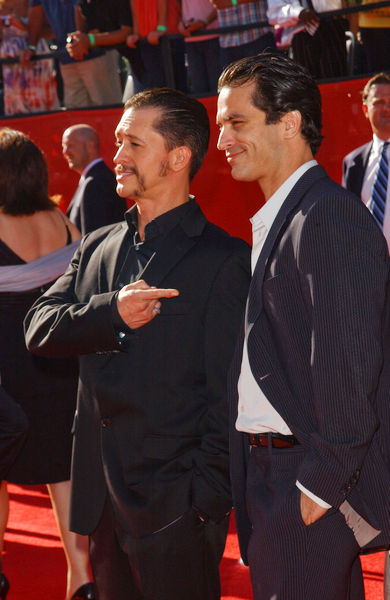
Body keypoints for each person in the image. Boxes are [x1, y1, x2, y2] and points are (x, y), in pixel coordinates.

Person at [24, 88, 251, 600]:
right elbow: (39, 327)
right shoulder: (97, 244)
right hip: (101, 499)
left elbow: (227, 395)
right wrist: (112, 314)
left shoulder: (224, 260)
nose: (118, 155)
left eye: (132, 143)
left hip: (177, 507)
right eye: (117, 140)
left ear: (177, 157)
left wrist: (205, 501)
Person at [217, 52, 390, 599]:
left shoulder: (326, 215)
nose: (222, 139)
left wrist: (319, 483)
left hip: (305, 477)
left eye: (236, 121)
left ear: (289, 122)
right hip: (276, 471)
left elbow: (349, 361)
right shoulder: (285, 216)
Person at [0, 128, 95, 600]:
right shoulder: (61, 220)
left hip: (7, 376)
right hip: (59, 369)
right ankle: (81, 580)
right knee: (65, 472)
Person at [23, 0, 122, 108]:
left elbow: (80, 5)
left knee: (106, 108)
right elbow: (36, 10)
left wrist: (80, 42)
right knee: (76, 112)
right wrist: (31, 47)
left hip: (96, 51)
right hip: (68, 55)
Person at [343, 72, 390, 251]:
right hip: (368, 268)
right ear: (365, 110)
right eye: (379, 103)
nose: (386, 108)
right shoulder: (353, 162)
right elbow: (347, 220)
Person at [62, 124, 127, 235]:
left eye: (70, 145)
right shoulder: (95, 180)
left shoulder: (97, 183)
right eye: (64, 146)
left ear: (90, 147)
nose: (65, 151)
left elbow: (94, 239)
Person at [0, 0, 59, 115]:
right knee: (16, 108)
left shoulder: (35, 3)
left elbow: (54, 31)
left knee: (40, 106)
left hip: (36, 64)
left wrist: (23, 27)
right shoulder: (2, 6)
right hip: (11, 68)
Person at [266, 0, 348, 79]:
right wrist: (298, 13)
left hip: (330, 26)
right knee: (306, 84)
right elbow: (274, 13)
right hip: (300, 35)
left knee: (336, 78)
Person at [127, 0, 186, 91]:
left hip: (168, 38)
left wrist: (161, 28)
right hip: (147, 41)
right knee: (157, 89)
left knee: (176, 87)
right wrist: (136, 33)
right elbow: (134, 5)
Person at [211, 0, 276, 70]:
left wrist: (233, 2)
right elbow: (218, 3)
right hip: (228, 41)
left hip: (258, 36)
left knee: (265, 78)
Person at [178, 0, 220, 95]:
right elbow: (180, 7)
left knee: (218, 87)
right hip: (191, 41)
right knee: (199, 91)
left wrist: (203, 23)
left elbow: (223, 4)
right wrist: (181, 23)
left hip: (213, 38)